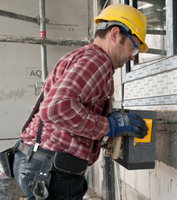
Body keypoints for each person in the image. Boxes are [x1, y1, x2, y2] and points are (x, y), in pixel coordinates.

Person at [13, 3, 149, 200]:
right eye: (132, 48)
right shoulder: (97, 61)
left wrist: (105, 117)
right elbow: (55, 109)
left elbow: (67, 104)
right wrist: (108, 125)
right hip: (52, 171)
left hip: (38, 163)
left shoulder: (83, 56)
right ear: (115, 34)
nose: (131, 56)